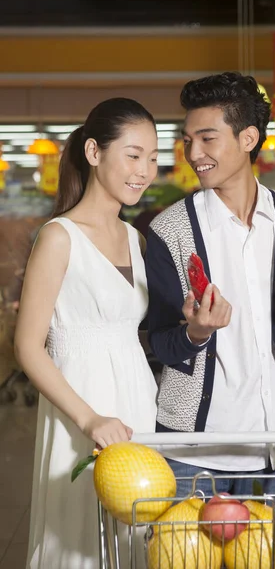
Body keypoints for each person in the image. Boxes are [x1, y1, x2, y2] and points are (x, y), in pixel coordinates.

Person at [145, 72, 275, 499]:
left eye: (207, 138)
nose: (194, 153)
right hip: (192, 449)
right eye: (187, 140)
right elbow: (159, 342)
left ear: (248, 138)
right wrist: (197, 333)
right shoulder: (170, 231)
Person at [14, 98, 159, 569]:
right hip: (80, 408)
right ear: (94, 152)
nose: (144, 171)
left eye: (154, 159)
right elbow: (28, 347)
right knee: (79, 539)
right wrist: (89, 420)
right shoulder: (59, 237)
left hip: (137, 402)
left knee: (136, 532)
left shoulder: (136, 239)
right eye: (133, 155)